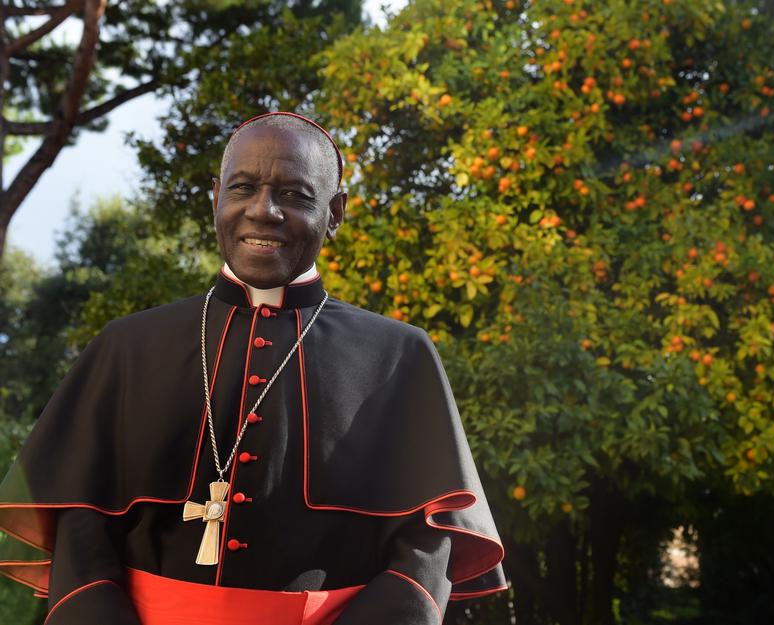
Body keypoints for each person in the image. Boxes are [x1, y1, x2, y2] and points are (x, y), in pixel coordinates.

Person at [0, 111, 507, 624]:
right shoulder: (127, 346)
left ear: (335, 213)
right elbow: (81, 534)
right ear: (216, 196)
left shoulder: (398, 356)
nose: (263, 211)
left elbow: (423, 554)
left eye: (295, 195)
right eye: (243, 187)